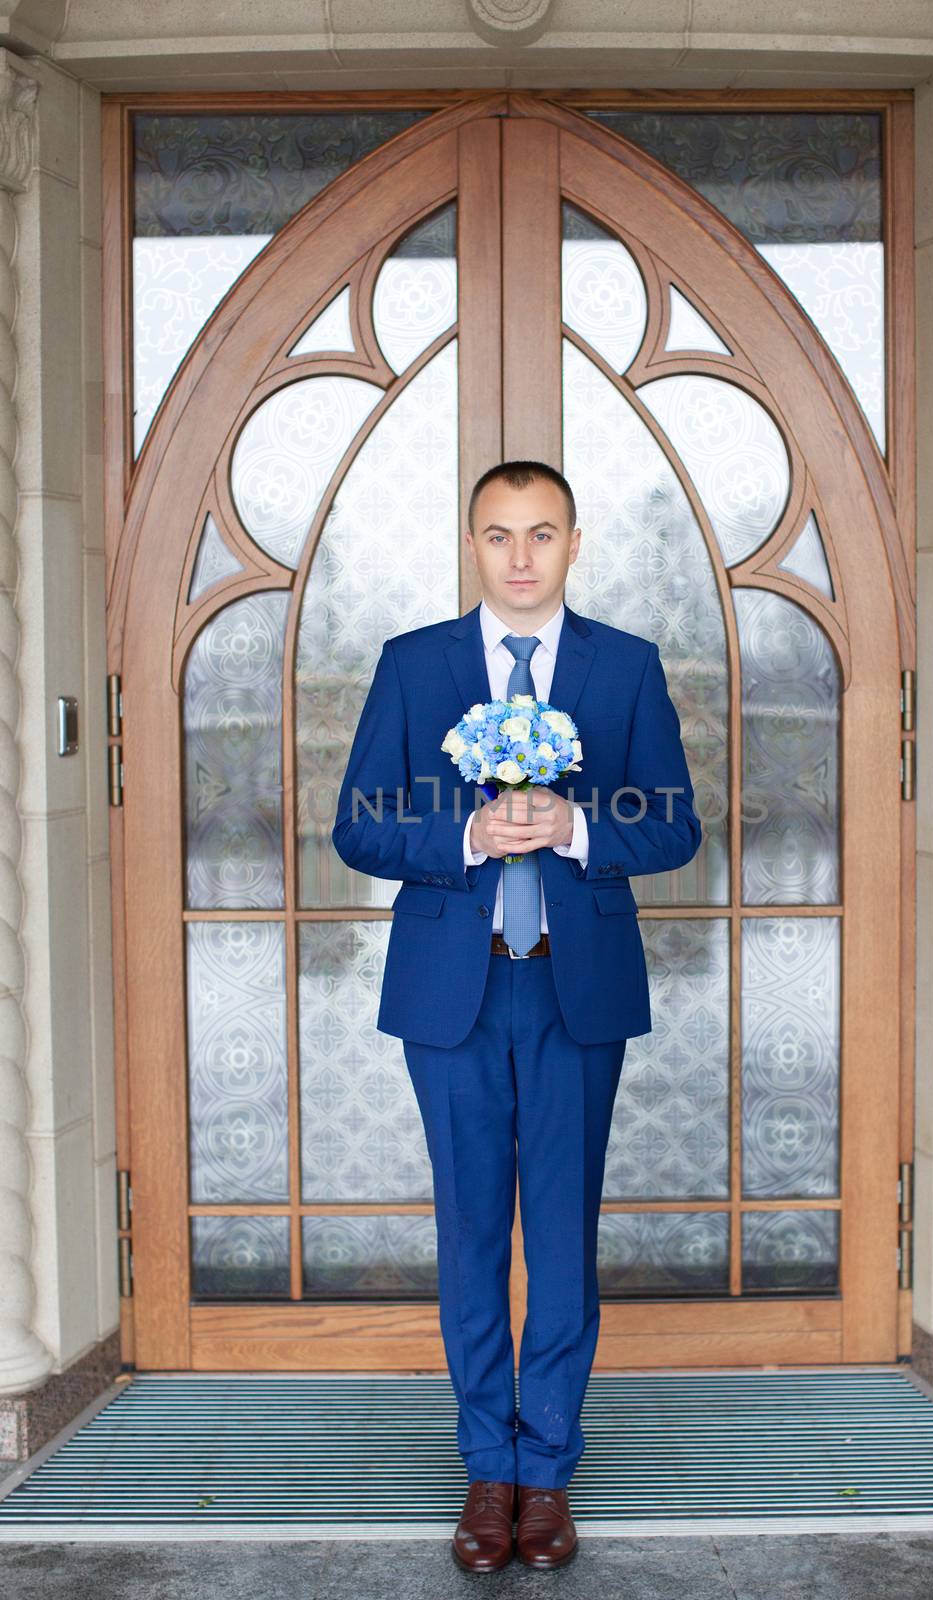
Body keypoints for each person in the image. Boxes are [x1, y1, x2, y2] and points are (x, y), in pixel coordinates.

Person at [332, 461, 701, 1570]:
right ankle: (483, 1468)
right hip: (452, 988)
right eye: (498, 535)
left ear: (574, 544)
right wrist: (462, 838)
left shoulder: (623, 668)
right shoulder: (414, 666)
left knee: (560, 1233)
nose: (521, 556)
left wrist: (579, 829)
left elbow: (674, 823)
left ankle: (548, 1475)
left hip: (571, 988)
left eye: (541, 534)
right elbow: (358, 822)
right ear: (471, 544)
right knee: (469, 1233)